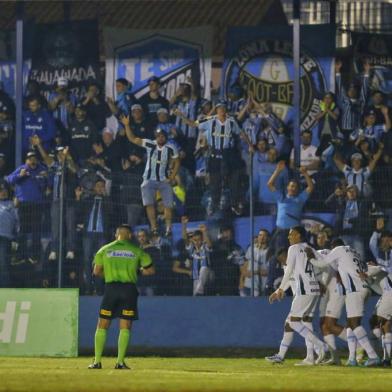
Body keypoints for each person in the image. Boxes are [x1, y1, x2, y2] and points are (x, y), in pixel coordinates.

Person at [88, 224, 155, 369]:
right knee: (125, 326)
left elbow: (97, 271)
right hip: (129, 290)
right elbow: (150, 271)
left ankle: (97, 361)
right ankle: (119, 362)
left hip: (111, 289)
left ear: (116, 234)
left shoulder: (104, 250)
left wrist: (110, 274)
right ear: (130, 235)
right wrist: (137, 271)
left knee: (102, 325)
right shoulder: (137, 251)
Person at [306, 238, 381, 367]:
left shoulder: (338, 250)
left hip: (354, 290)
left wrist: (311, 258)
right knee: (350, 324)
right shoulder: (353, 252)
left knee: (354, 324)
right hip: (364, 288)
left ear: (334, 247)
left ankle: (373, 356)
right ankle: (352, 358)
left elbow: (322, 264)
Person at [269, 226, 327, 366]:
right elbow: (323, 264)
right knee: (303, 322)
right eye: (289, 235)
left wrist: (280, 290)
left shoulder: (293, 249)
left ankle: (321, 347)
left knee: (293, 322)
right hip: (313, 290)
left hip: (304, 291)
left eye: (292, 234)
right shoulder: (310, 248)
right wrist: (322, 281)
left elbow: (288, 271)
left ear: (299, 236)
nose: (289, 237)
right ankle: (308, 357)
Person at [121, 114, 180, 237]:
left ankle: (168, 228)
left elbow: (177, 161)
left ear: (166, 137)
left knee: (168, 205)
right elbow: (133, 139)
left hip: (164, 179)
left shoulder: (171, 147)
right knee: (149, 204)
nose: (160, 138)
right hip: (149, 179)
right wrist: (126, 125)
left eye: (162, 136)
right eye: (158, 136)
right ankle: (154, 228)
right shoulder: (150, 144)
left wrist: (172, 176)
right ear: (155, 137)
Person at [197, 101, 246, 215]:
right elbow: (203, 124)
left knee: (234, 178)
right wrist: (214, 108)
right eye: (219, 108)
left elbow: (240, 131)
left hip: (229, 154)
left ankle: (234, 203)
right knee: (215, 182)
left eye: (223, 108)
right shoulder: (210, 125)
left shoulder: (231, 122)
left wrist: (249, 146)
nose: (221, 110)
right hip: (215, 156)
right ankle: (214, 204)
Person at [6, 151, 48, 264]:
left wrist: (45, 177)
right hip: (23, 204)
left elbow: (49, 183)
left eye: (34, 158)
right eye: (29, 158)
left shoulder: (42, 169)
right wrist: (20, 175)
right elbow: (9, 179)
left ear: (37, 160)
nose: (32, 160)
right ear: (26, 160)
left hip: (37, 204)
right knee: (22, 230)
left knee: (36, 230)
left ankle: (35, 255)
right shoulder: (22, 168)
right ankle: (21, 255)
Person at [314, 231, 347, 365]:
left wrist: (323, 284)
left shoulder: (321, 253)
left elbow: (327, 269)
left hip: (335, 290)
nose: (321, 239)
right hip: (329, 292)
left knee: (329, 324)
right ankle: (335, 357)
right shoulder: (323, 253)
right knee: (324, 324)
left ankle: (359, 346)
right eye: (318, 236)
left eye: (323, 236)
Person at [76, 179, 112, 294]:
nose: (100, 188)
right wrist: (78, 197)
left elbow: (112, 213)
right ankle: (87, 286)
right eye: (98, 186)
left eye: (103, 186)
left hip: (102, 235)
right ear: (94, 188)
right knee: (87, 260)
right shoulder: (87, 201)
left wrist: (106, 197)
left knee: (99, 262)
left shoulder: (108, 201)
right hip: (88, 234)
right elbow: (78, 212)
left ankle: (99, 287)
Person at [267, 162, 314, 251]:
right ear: (287, 187)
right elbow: (270, 184)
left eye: (295, 187)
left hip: (294, 233)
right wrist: (278, 170)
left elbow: (311, 187)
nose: (293, 188)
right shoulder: (281, 197)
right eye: (291, 186)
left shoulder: (300, 199)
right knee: (280, 255)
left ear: (297, 189)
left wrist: (305, 173)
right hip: (280, 232)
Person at [181, 216, 214, 296]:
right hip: (196, 277)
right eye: (195, 240)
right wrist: (184, 225)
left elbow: (209, 245)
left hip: (209, 275)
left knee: (204, 268)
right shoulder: (191, 248)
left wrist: (204, 232)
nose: (197, 242)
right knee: (196, 296)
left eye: (199, 239)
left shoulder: (205, 247)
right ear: (192, 240)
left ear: (202, 239)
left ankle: (199, 290)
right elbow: (185, 239)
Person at [240, 229, 270, 296]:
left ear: (268, 238)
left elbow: (269, 271)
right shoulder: (251, 248)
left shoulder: (269, 252)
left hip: (260, 288)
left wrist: (254, 272)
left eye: (264, 236)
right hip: (247, 285)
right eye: (260, 235)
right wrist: (241, 280)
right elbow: (245, 265)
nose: (262, 237)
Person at [0, 182, 18, 287]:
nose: (3, 192)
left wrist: (16, 237)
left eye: (4, 189)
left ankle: (4, 289)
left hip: (4, 238)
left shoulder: (11, 204)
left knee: (3, 264)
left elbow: (17, 221)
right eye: (1, 190)